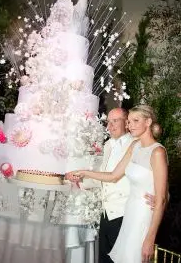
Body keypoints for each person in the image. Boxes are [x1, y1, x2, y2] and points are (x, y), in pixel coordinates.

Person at [69, 105, 168, 263]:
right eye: (129, 121)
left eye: (136, 121)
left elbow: (162, 197)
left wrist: (150, 238)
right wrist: (84, 172)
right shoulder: (134, 146)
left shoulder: (158, 152)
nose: (131, 125)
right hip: (129, 212)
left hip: (143, 215)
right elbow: (113, 175)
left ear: (148, 122)